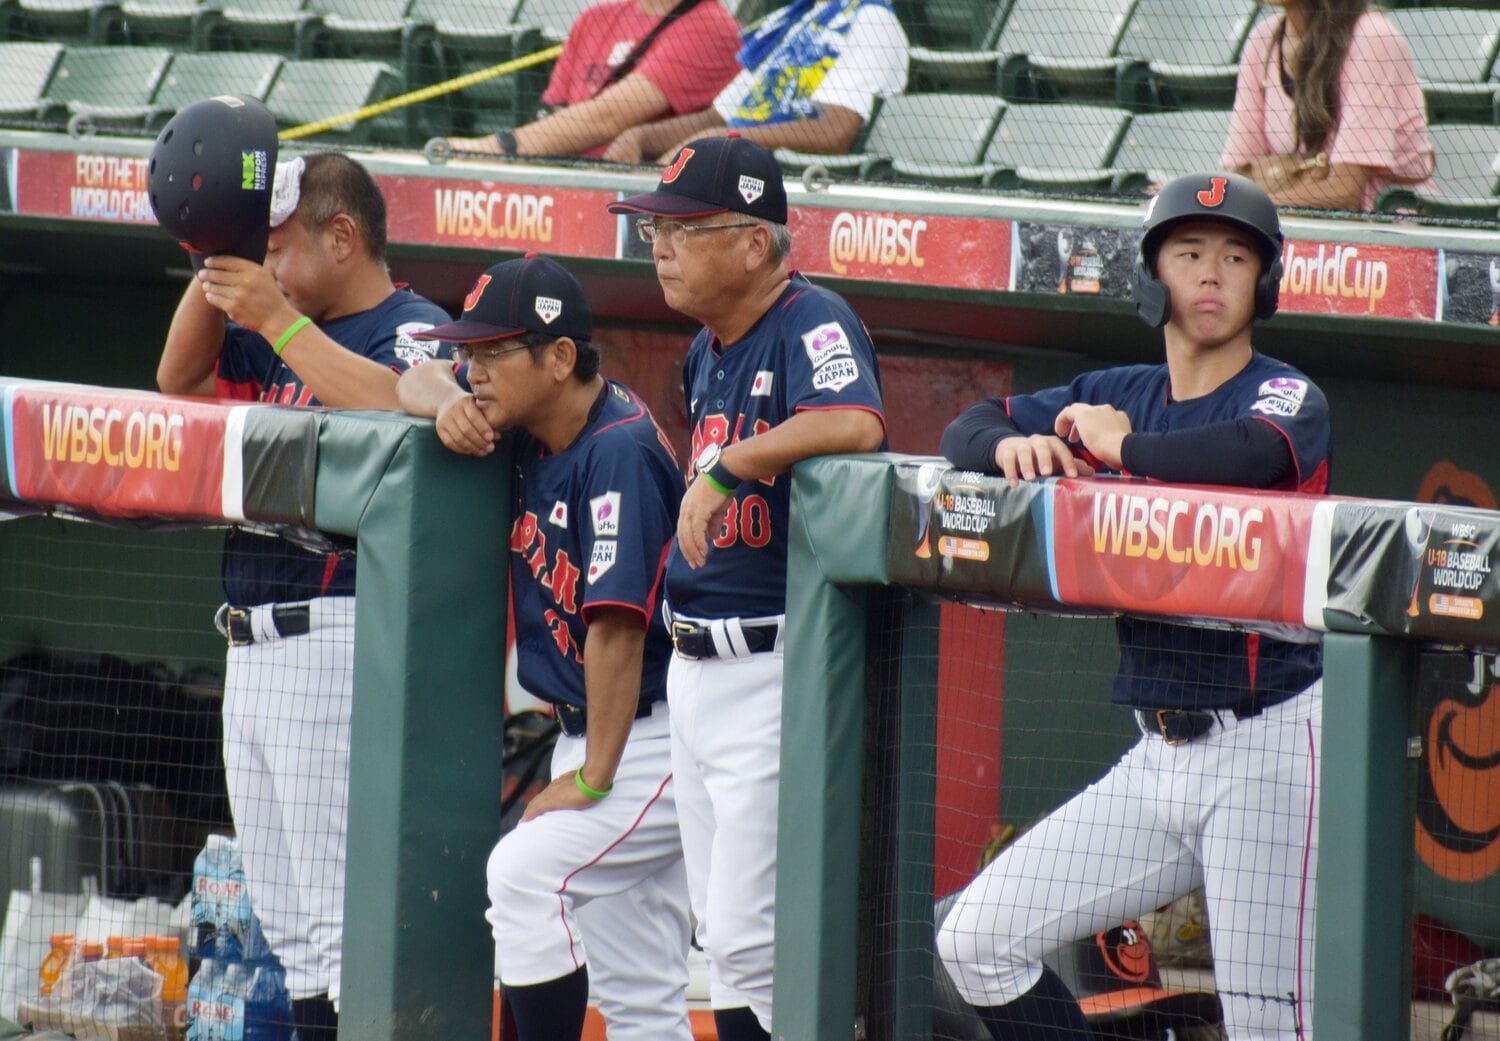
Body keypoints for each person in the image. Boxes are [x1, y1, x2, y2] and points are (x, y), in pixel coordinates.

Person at [936, 171, 1330, 1041]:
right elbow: (965, 425)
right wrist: (1017, 443)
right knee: (976, 939)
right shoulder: (1118, 385)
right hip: (1156, 758)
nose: (1214, 273)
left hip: (1271, 748)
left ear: (1265, 282)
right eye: (1189, 253)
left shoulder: (1285, 394)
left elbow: (1248, 455)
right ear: (1153, 276)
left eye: (1236, 256)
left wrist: (1124, 447)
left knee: (1270, 1027)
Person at [156, 151, 451, 1040]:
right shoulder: (284, 328)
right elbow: (177, 379)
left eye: (279, 247)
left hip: (333, 632)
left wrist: (279, 314)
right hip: (250, 641)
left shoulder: (412, 326)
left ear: (343, 236)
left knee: (329, 921)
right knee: (285, 924)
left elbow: (407, 406)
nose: (268, 270)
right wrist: (217, 252)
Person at [607, 134, 887, 1040]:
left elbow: (854, 421)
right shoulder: (704, 349)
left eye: (684, 229)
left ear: (755, 242)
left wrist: (734, 463)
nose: (661, 246)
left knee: (748, 941)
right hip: (696, 670)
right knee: (719, 937)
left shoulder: (811, 319)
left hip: (773, 667)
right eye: (656, 229)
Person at [396, 254, 693, 1041]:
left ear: (560, 358)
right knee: (639, 993)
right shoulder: (533, 421)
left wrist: (595, 776)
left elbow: (618, 630)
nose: (472, 369)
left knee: (521, 874)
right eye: (470, 352)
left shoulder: (618, 449)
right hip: (595, 728)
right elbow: (408, 378)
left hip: (646, 733)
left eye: (492, 353)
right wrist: (443, 404)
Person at [602, 0, 908, 164]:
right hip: (735, 166)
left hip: (786, 182)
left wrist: (727, 138)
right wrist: (639, 136)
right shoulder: (792, 20)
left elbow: (835, 135)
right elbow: (716, 117)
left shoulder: (872, 20)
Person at [445, 0, 741, 159]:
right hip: (565, 180)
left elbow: (606, 117)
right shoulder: (593, 18)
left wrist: (496, 148)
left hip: (643, 199)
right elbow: (550, 112)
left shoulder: (712, 27)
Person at [1222, 0, 1432, 211]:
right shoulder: (1262, 39)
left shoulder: (1373, 36)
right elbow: (1239, 172)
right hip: (1287, 223)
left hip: (1385, 224)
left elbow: (1346, 192)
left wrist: (1257, 209)